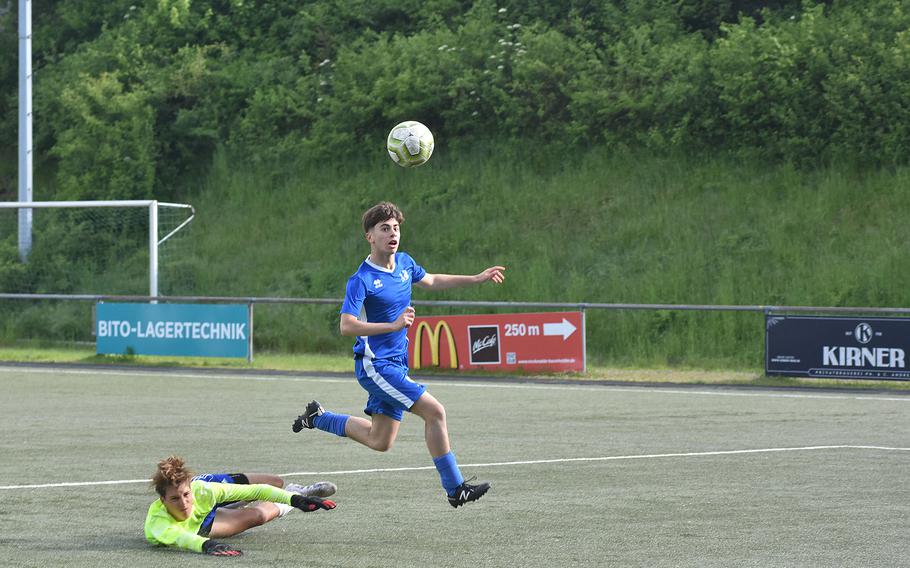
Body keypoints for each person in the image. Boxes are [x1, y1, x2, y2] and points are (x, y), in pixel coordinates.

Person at [292, 201, 505, 508]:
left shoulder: (404, 263)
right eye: (384, 228)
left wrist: (476, 278)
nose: (392, 233)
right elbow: (346, 325)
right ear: (370, 236)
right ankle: (455, 488)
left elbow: (431, 280)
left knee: (380, 441)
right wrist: (392, 325)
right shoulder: (361, 279)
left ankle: (319, 418)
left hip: (396, 365)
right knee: (435, 412)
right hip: (376, 366)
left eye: (396, 228)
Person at [144, 455, 337, 557]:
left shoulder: (203, 490)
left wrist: (294, 501)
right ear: (163, 501)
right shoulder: (158, 524)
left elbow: (256, 491)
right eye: (175, 499)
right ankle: (298, 491)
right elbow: (183, 539)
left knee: (275, 482)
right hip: (202, 527)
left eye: (186, 495)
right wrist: (207, 545)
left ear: (191, 489)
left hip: (208, 496)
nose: (184, 503)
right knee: (259, 516)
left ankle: (292, 494)